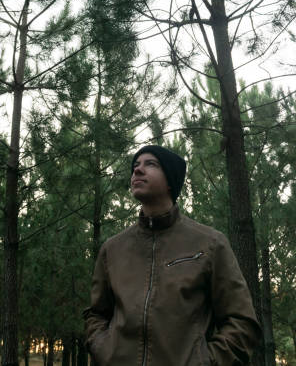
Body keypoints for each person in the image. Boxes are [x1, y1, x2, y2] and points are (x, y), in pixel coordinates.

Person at [84, 145, 261, 366]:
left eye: (150, 164)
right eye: (135, 166)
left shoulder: (210, 243)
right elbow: (97, 314)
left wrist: (205, 362)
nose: (137, 170)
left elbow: (241, 321)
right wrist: (104, 349)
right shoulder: (113, 249)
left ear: (170, 180)